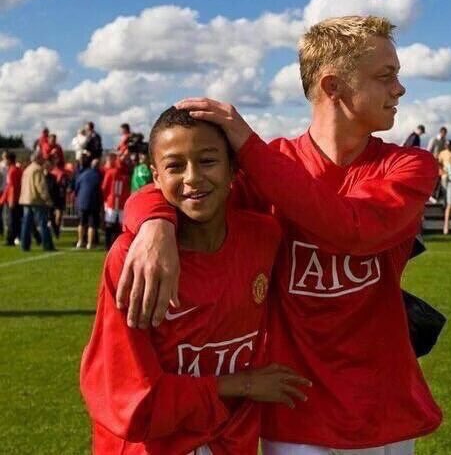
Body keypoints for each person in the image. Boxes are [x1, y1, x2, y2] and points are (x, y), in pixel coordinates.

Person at [117, 16, 442, 454]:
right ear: (333, 87)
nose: (399, 88)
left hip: (383, 408)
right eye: (386, 76)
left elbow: (355, 228)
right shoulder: (270, 166)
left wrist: (250, 149)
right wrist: (155, 223)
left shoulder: (408, 166)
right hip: (293, 408)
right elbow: (181, 192)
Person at [80, 106, 310, 454]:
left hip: (233, 442)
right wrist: (242, 384)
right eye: (175, 166)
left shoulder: (264, 236)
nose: (193, 177)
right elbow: (130, 402)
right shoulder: (134, 258)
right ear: (155, 177)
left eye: (207, 161)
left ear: (233, 168)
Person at [19, 152, 55, 251]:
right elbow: (41, 186)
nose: (43, 160)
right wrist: (47, 199)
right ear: (37, 158)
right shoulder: (38, 169)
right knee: (43, 223)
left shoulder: (27, 169)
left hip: (26, 199)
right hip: (36, 200)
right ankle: (47, 245)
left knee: (26, 224)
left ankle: (24, 245)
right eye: (41, 158)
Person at [101, 152, 130, 249]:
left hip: (115, 202)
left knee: (113, 224)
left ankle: (110, 244)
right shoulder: (123, 172)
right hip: (116, 202)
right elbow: (105, 188)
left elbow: (104, 188)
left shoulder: (113, 172)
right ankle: (113, 244)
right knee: (117, 225)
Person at [74, 156, 102, 250]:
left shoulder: (83, 174)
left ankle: (80, 241)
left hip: (82, 201)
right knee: (91, 224)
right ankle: (89, 244)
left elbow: (76, 188)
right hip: (93, 202)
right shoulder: (98, 175)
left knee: (81, 223)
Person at [0, 152, 23, 246]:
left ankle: (10, 239)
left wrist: (10, 200)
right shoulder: (18, 170)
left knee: (10, 220)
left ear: (9, 160)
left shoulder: (12, 171)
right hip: (18, 198)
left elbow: (11, 187)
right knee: (16, 220)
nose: (5, 161)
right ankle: (17, 237)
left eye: (6, 159)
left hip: (12, 199)